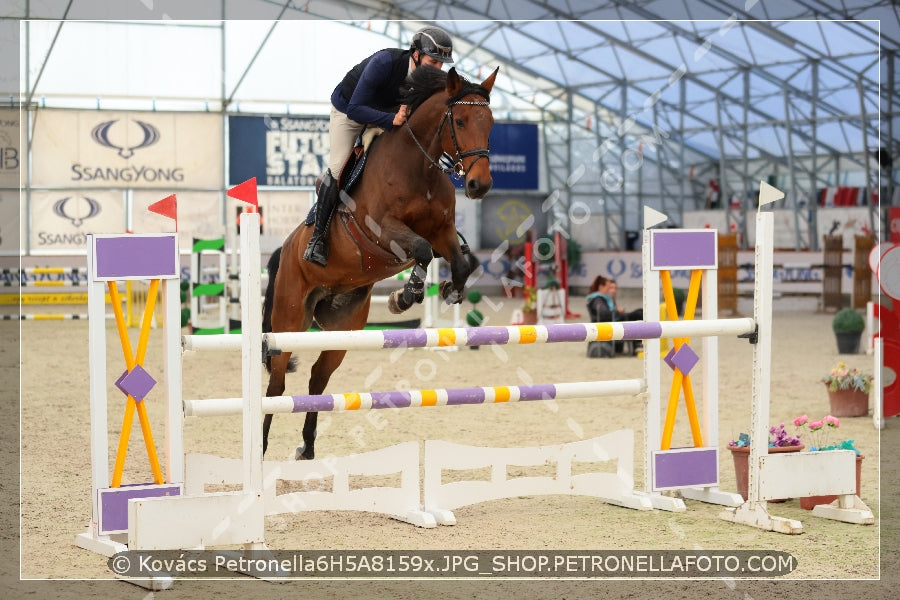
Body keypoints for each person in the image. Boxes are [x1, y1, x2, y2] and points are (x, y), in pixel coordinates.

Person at [304, 26, 456, 266]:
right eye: (432, 62)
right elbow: (356, 108)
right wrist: (390, 119)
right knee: (338, 168)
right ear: (415, 54)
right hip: (349, 112)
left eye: (440, 64)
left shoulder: (430, 80)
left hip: (388, 115)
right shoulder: (384, 62)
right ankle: (317, 239)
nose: (437, 69)